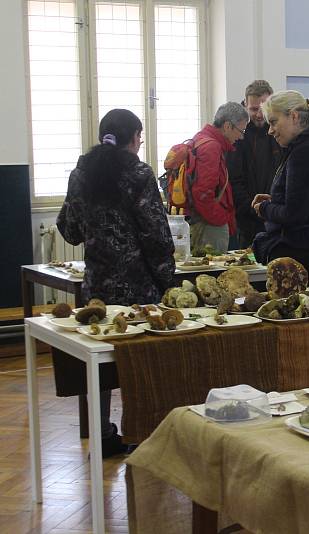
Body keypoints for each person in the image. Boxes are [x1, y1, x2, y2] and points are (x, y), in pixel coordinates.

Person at [57, 108, 175, 457]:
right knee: (143, 361)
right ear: (132, 138)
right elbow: (156, 233)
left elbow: (69, 229)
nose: (140, 143)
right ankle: (141, 432)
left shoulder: (81, 174)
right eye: (139, 137)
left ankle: (102, 434)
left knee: (99, 360)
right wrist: (166, 278)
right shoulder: (139, 174)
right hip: (139, 287)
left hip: (98, 286)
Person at [251, 90, 309, 279]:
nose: (270, 130)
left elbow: (294, 214)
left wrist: (265, 208)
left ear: (293, 116)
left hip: (304, 252)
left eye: (273, 122)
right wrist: (276, 200)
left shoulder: (304, 152)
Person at [227, 80, 283, 249]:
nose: (259, 114)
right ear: (245, 105)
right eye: (253, 109)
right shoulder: (238, 135)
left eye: (263, 108)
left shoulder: (280, 131)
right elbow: (235, 179)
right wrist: (254, 210)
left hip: (279, 217)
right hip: (249, 221)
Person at [188, 101, 248, 254]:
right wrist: (222, 220)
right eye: (241, 131)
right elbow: (203, 193)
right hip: (211, 227)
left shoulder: (201, 138)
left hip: (204, 221)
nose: (240, 137)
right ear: (228, 126)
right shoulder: (211, 147)